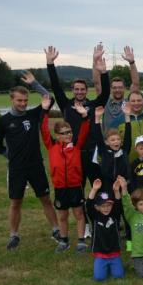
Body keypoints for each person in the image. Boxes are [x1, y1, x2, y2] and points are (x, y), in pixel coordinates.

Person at [0, 84, 60, 250]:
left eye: (25, 100)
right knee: (16, 202)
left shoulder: (33, 114)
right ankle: (14, 235)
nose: (22, 103)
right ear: (12, 99)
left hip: (36, 165)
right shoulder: (3, 121)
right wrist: (11, 155)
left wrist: (35, 83)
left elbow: (49, 99)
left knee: (45, 199)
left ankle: (56, 230)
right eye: (19, 100)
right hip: (16, 169)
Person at [45, 45, 110, 188]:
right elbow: (56, 87)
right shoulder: (66, 105)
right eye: (76, 89)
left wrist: (104, 73)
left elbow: (105, 93)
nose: (79, 92)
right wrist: (50, 64)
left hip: (93, 153)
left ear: (87, 91)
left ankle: (98, 210)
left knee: (99, 188)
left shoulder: (94, 105)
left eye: (82, 89)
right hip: (74, 153)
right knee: (76, 188)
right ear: (72, 90)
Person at [40, 100, 92, 253]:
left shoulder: (76, 146)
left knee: (79, 214)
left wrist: (84, 117)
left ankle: (81, 241)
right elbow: (43, 130)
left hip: (76, 186)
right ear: (57, 136)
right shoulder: (52, 147)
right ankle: (64, 240)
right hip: (60, 187)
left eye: (69, 132)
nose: (68, 135)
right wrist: (44, 112)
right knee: (62, 215)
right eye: (64, 133)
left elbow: (84, 131)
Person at [86, 179, 124, 281]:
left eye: (109, 205)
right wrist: (94, 189)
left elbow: (119, 204)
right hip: (100, 254)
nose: (106, 208)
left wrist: (116, 191)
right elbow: (88, 205)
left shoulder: (115, 215)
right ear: (97, 207)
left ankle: (113, 265)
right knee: (99, 277)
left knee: (119, 275)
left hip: (114, 252)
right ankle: (102, 266)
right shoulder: (95, 217)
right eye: (103, 206)